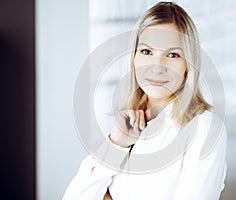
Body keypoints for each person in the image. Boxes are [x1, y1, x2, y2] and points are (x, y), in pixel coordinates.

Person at [63, 1, 227, 200]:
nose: (157, 67)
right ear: (133, 57)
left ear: (188, 64)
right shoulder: (127, 125)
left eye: (173, 54)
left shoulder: (204, 128)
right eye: (147, 51)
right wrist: (117, 144)